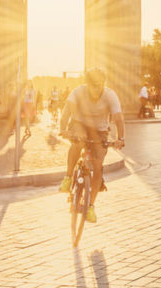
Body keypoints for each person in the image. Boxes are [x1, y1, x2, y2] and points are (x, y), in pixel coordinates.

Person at [58, 69, 126, 223]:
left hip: (100, 131)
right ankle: (68, 177)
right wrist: (63, 129)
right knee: (78, 141)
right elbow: (67, 110)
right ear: (87, 84)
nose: (97, 88)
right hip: (80, 124)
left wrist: (120, 138)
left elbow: (118, 118)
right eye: (94, 85)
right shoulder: (78, 92)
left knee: (98, 166)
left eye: (100, 85)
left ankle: (90, 206)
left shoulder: (110, 95)